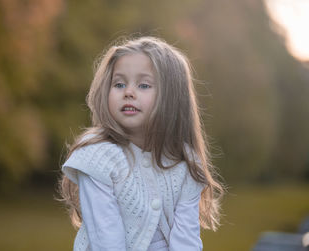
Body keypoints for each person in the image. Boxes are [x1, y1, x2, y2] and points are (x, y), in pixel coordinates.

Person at [59, 36, 224, 251]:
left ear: (171, 98)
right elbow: (106, 241)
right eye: (119, 84)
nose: (128, 92)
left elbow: (186, 242)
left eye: (144, 85)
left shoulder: (185, 163)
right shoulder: (98, 158)